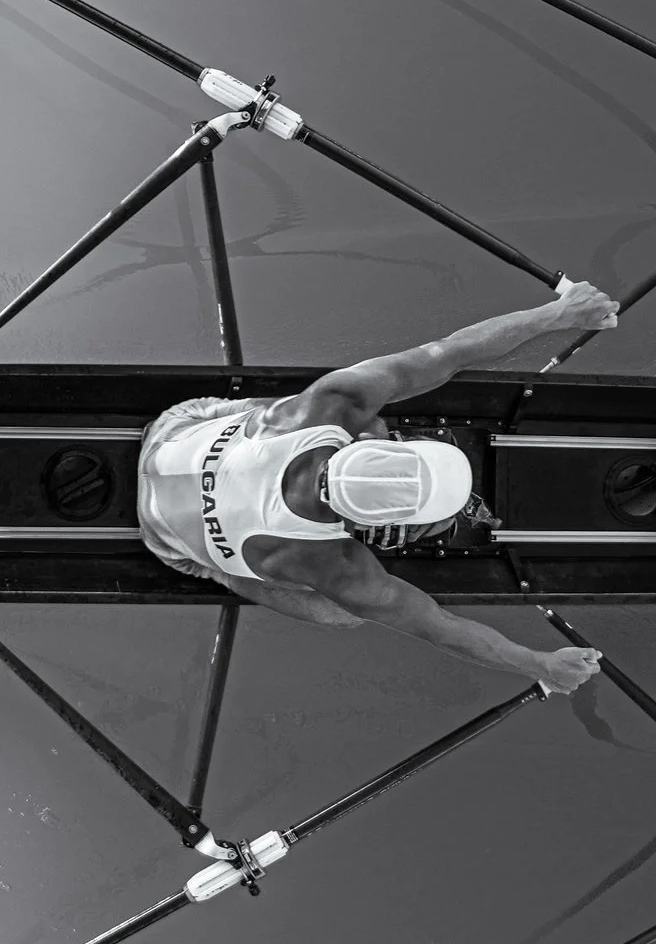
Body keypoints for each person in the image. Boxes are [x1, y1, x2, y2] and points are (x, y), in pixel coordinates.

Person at [139, 280, 621, 693]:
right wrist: (540, 665)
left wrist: (559, 311)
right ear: (380, 524)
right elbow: (442, 632)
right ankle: (221, 573)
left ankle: (226, 532)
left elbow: (449, 352)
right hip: (169, 543)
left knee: (346, 416)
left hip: (170, 439)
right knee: (345, 615)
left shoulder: (327, 405)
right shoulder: (336, 568)